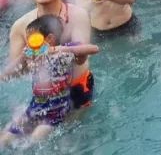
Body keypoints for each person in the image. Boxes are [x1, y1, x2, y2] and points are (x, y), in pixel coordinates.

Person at [5, 0, 95, 109]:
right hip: (44, 94)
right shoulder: (21, 25)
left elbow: (81, 57)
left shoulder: (77, 15)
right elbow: (12, 74)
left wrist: (55, 50)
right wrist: (27, 57)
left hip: (77, 88)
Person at [0, 15, 99, 145]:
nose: (28, 43)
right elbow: (7, 74)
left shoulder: (63, 52)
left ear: (49, 39)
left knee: (37, 136)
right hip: (35, 106)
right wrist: (22, 57)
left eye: (32, 40)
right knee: (7, 136)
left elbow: (94, 49)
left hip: (57, 109)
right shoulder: (31, 55)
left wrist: (58, 49)